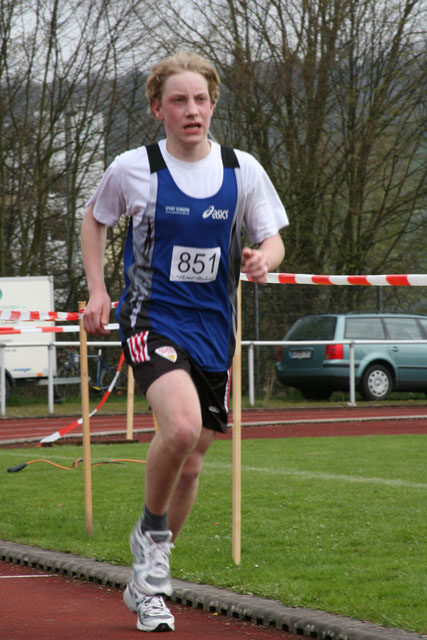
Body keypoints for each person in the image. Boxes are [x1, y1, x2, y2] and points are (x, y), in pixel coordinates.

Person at [81, 51, 288, 633]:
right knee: (179, 428)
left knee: (192, 464)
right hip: (153, 321)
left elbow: (273, 238)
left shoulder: (241, 169)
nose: (192, 110)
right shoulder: (134, 168)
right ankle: (151, 543)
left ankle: (145, 578)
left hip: (213, 330)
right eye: (179, 100)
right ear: (158, 109)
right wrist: (98, 290)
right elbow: (94, 219)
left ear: (213, 105)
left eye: (200, 99)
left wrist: (262, 260)